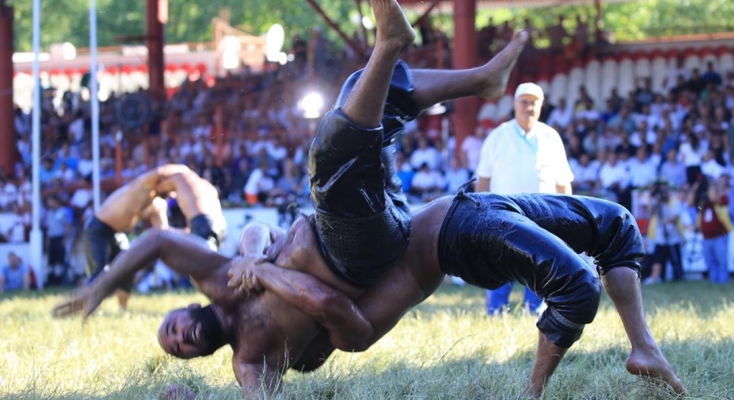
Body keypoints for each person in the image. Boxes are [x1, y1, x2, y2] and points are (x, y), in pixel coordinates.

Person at [54, 2, 684, 398]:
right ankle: (391, 43)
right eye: (177, 348)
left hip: (393, 215)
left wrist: (101, 286)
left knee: (359, 95)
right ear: (196, 356)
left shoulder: (222, 278)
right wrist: (265, 270)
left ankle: (479, 79)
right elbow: (333, 316)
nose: (176, 338)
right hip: (360, 248)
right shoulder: (254, 359)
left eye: (168, 329)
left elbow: (159, 240)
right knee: (334, 152)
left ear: (183, 306)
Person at [475, 81, 574, 316]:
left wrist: (567, 220)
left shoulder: (550, 137)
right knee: (501, 264)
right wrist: (481, 214)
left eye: (533, 103)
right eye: (524, 102)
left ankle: (535, 313)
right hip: (503, 215)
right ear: (514, 104)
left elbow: (562, 182)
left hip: (542, 215)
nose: (528, 107)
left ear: (541, 106)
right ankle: (496, 313)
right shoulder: (498, 136)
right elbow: (483, 179)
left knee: (539, 265)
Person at [83, 164, 188, 309]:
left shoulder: (158, 205)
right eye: (171, 187)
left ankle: (122, 309)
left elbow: (163, 230)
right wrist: (185, 171)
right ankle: (83, 308)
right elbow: (160, 170)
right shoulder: (143, 185)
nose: (172, 193)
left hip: (118, 233)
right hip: (98, 228)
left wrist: (184, 233)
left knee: (128, 269)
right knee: (99, 273)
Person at [153, 169, 227, 250]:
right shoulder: (206, 185)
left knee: (201, 255)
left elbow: (158, 185)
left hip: (202, 222)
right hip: (220, 224)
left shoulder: (179, 178)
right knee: (213, 255)